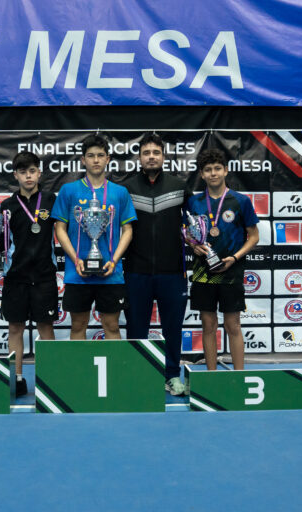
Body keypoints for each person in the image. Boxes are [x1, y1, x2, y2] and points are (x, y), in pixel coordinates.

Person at [51, 134, 136, 339]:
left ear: (108, 159)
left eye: (100, 155)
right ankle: (79, 373)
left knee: (112, 326)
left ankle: (114, 373)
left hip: (111, 272)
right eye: (90, 155)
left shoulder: (120, 192)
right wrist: (76, 260)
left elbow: (128, 230)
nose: (96, 160)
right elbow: (59, 228)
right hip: (77, 272)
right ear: (83, 160)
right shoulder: (68, 190)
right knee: (78, 327)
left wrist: (114, 261)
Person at [123, 133, 189, 396]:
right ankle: (139, 375)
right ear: (139, 157)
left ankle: (172, 376)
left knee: (172, 328)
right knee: (136, 327)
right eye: (146, 152)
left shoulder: (180, 186)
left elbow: (196, 227)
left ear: (163, 156)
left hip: (172, 272)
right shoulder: (125, 189)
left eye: (156, 152)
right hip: (135, 271)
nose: (151, 156)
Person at [0, 151, 57, 397]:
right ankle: (16, 379)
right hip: (15, 276)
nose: (28, 176)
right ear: (15, 175)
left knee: (46, 327)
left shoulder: (51, 200)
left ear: (40, 172)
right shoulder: (6, 207)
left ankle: (49, 379)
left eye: (32, 171)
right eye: (23, 172)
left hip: (45, 276)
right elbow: (2, 243)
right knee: (15, 327)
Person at [185, 148, 259, 370]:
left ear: (226, 170)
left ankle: (238, 377)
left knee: (232, 325)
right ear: (201, 174)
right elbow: (188, 233)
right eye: (208, 170)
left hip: (231, 273)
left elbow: (254, 237)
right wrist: (193, 244)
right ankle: (211, 377)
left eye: (217, 168)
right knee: (208, 324)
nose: (213, 173)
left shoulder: (240, 201)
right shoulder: (194, 202)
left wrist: (234, 258)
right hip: (202, 272)